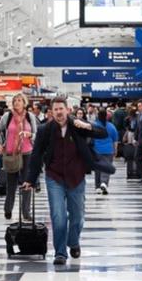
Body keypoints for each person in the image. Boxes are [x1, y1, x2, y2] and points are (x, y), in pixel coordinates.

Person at [22, 96, 107, 265]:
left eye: (62, 109)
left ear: (68, 110)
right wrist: (30, 179)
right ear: (51, 112)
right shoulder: (45, 130)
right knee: (58, 216)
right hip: (54, 177)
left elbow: (102, 133)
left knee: (77, 216)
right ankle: (60, 252)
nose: (59, 112)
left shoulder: (78, 126)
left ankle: (73, 241)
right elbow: (37, 155)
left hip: (76, 177)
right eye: (56, 110)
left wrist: (87, 125)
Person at [0, 93, 37, 220]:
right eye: (15, 101)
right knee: (11, 183)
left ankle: (26, 212)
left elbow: (36, 134)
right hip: (11, 154)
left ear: (24, 103)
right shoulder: (8, 116)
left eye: (19, 100)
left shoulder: (30, 117)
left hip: (27, 153)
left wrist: (29, 135)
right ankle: (8, 209)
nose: (17, 103)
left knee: (27, 183)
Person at [92, 108, 118, 195]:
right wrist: (115, 150)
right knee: (106, 168)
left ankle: (97, 186)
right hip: (108, 150)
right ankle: (104, 183)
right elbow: (115, 140)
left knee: (97, 169)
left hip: (96, 150)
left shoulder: (94, 125)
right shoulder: (111, 126)